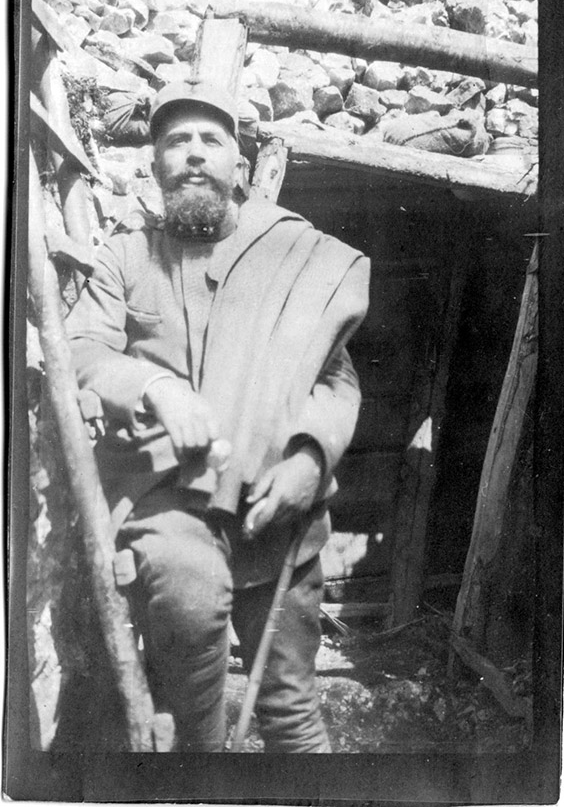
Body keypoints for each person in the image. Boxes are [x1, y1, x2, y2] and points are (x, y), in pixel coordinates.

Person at [66, 80, 370, 752]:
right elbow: (82, 347)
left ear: (240, 165)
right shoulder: (126, 256)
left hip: (277, 506)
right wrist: (154, 386)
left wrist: (309, 459)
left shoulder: (296, 255)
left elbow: (336, 381)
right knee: (189, 596)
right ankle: (202, 762)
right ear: (155, 165)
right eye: (177, 142)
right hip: (168, 496)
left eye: (212, 140)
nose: (195, 154)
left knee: (292, 711)